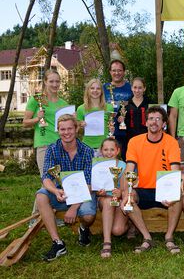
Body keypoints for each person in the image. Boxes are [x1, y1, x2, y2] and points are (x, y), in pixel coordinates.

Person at [120, 106, 183, 254]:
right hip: (143, 189)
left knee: (179, 197)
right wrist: (126, 193)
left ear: (163, 124)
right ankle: (147, 237)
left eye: (158, 119)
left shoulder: (171, 142)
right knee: (129, 199)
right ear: (146, 122)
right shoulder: (135, 141)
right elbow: (129, 170)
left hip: (164, 190)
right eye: (150, 119)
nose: (154, 122)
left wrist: (173, 192)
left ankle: (169, 237)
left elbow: (175, 170)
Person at [34, 114, 95, 261]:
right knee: (41, 196)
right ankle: (58, 243)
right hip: (61, 192)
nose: (66, 132)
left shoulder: (87, 151)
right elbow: (46, 177)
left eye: (69, 129)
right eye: (62, 129)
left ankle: (83, 228)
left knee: (87, 216)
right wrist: (55, 190)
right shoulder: (52, 149)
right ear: (58, 130)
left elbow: (88, 184)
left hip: (83, 192)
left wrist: (74, 208)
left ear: (76, 129)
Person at [23, 70, 69, 176]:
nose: (54, 84)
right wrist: (37, 119)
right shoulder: (36, 100)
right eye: (51, 81)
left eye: (57, 81)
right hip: (44, 144)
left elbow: (69, 127)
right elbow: (25, 123)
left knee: (61, 180)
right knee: (47, 179)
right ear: (45, 81)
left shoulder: (64, 103)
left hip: (62, 145)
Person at [95, 138, 126, 258]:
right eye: (106, 149)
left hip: (118, 201)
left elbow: (126, 188)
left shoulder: (123, 165)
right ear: (101, 151)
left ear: (118, 150)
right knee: (108, 201)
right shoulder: (97, 165)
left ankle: (129, 225)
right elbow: (94, 188)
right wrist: (99, 192)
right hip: (104, 200)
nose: (109, 153)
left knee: (118, 231)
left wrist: (120, 192)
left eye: (112, 149)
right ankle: (107, 242)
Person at [103, 59, 133, 159]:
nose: (117, 73)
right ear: (110, 72)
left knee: (126, 161)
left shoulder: (131, 88)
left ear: (124, 72)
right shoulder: (103, 88)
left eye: (119, 70)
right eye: (114, 70)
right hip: (108, 132)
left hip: (127, 132)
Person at [77, 79, 114, 155]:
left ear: (101, 91)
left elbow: (111, 129)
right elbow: (78, 132)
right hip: (86, 147)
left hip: (104, 148)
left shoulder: (109, 108)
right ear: (88, 90)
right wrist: (81, 126)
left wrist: (112, 130)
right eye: (92, 88)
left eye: (98, 88)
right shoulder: (81, 109)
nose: (95, 90)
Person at [119, 77, 150, 157]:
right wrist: (120, 120)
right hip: (129, 140)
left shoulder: (150, 104)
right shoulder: (125, 104)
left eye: (140, 88)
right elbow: (120, 123)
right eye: (135, 87)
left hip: (146, 140)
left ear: (144, 88)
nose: (137, 90)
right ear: (131, 88)